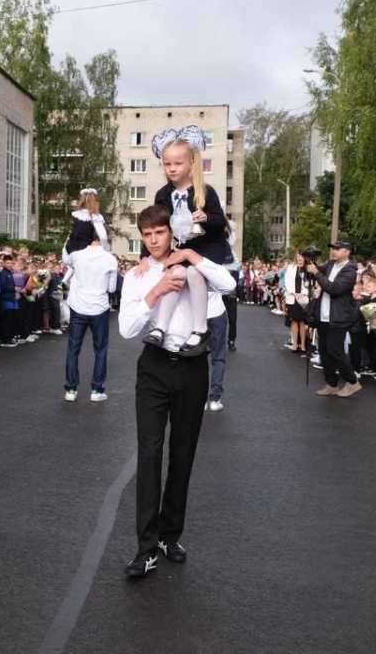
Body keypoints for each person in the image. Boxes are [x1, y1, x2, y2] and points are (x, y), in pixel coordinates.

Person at [118, 205, 235, 578]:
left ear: (172, 232)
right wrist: (155, 291)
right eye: (147, 234)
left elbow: (230, 285)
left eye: (160, 232)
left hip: (192, 367)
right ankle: (146, 548)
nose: (154, 241)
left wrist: (193, 258)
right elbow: (126, 328)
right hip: (153, 367)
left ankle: (170, 536)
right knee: (149, 454)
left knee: (182, 455)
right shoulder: (137, 274)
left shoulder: (194, 264)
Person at [140, 128, 232, 352]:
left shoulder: (205, 191)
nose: (172, 168)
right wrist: (144, 256)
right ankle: (160, 328)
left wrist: (206, 218)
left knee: (193, 273)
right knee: (176, 273)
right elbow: (155, 225)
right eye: (167, 164)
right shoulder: (163, 195)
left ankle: (200, 329)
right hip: (184, 248)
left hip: (208, 248)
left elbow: (220, 221)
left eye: (177, 163)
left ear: (191, 162)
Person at [63, 225, 118, 403]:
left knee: (73, 349)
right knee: (100, 350)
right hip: (99, 307)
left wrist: (71, 238)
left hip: (78, 305)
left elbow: (65, 258)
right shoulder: (110, 259)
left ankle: (71, 389)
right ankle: (96, 389)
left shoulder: (77, 255)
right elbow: (112, 288)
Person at [306, 241, 364, 398]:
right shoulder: (331, 264)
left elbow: (335, 289)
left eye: (337, 249)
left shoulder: (350, 270)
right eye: (333, 249)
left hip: (339, 316)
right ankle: (331, 384)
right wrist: (309, 261)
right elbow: (315, 271)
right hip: (323, 315)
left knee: (335, 351)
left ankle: (352, 382)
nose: (334, 252)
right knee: (324, 352)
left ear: (347, 252)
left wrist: (316, 273)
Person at [282, 253, 312, 356]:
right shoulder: (291, 268)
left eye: (301, 257)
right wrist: (294, 293)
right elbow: (287, 282)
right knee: (294, 322)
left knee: (302, 322)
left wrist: (303, 293)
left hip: (303, 299)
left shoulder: (307, 268)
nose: (300, 259)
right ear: (295, 258)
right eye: (298, 257)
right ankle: (295, 344)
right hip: (292, 298)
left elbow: (309, 284)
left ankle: (303, 345)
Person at [0, 254, 20, 347]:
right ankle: (5, 340)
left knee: (11, 320)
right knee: (6, 320)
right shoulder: (3, 273)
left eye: (11, 263)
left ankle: (10, 337)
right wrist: (14, 288)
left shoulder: (10, 273)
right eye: (7, 263)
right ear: (3, 263)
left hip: (12, 299)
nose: (9, 265)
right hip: (6, 300)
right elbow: (2, 286)